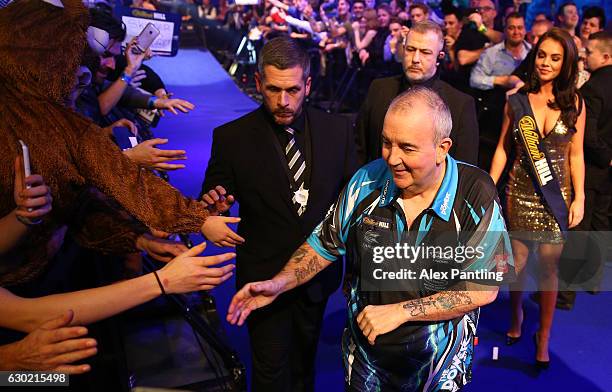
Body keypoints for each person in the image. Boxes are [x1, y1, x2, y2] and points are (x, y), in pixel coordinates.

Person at [227, 87, 514, 391]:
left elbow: (483, 288)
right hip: (367, 363)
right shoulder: (366, 180)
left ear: (442, 148)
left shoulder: (475, 192)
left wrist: (401, 312)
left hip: (439, 368)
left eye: (408, 148)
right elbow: (324, 243)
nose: (392, 158)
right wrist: (280, 283)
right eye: (386, 143)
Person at [0, 0, 232, 289]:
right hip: (28, 283)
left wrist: (139, 239)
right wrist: (198, 219)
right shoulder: (62, 123)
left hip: (51, 262)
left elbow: (78, 206)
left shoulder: (50, 110)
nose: (99, 68)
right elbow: (123, 177)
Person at [200, 36, 357, 392]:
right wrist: (214, 204)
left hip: (317, 278)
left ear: (308, 85)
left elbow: (351, 201)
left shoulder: (337, 130)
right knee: (270, 373)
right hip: (262, 274)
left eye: (292, 90)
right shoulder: (231, 137)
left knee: (304, 367)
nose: (283, 101)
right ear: (258, 83)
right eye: (272, 90)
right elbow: (212, 194)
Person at [489, 28, 586, 368]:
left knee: (548, 270)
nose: (545, 62)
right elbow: (503, 149)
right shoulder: (516, 101)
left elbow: (576, 155)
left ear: (566, 64)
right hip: (519, 193)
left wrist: (580, 198)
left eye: (555, 58)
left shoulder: (575, 103)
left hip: (556, 198)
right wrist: (489, 187)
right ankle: (515, 315)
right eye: (542, 55)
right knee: (515, 266)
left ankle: (542, 335)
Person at [355, 21, 479, 165]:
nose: (415, 59)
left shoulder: (460, 105)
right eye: (410, 50)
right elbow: (359, 148)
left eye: (425, 52)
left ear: (440, 57)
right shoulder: (379, 89)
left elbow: (465, 167)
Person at [557, 31, 612, 309]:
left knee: (579, 231)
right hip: (607, 174)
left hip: (591, 169)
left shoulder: (592, 89)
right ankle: (592, 282)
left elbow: (587, 136)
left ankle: (564, 296)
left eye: (588, 52)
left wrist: (606, 157)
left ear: (605, 56)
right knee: (602, 225)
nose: (584, 56)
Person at [470, 12, 530, 170]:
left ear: (525, 29)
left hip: (525, 117)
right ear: (505, 29)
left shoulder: (532, 53)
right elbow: (474, 79)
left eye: (520, 27)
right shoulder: (492, 53)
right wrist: (501, 80)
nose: (516, 32)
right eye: (511, 28)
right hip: (495, 117)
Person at [454, 0, 503, 92]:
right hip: (470, 88)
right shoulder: (468, 31)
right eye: (479, 9)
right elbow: (463, 59)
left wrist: (481, 28)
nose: (482, 11)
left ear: (495, 13)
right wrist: (488, 49)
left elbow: (503, 39)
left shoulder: (500, 30)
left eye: (487, 9)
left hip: (495, 88)